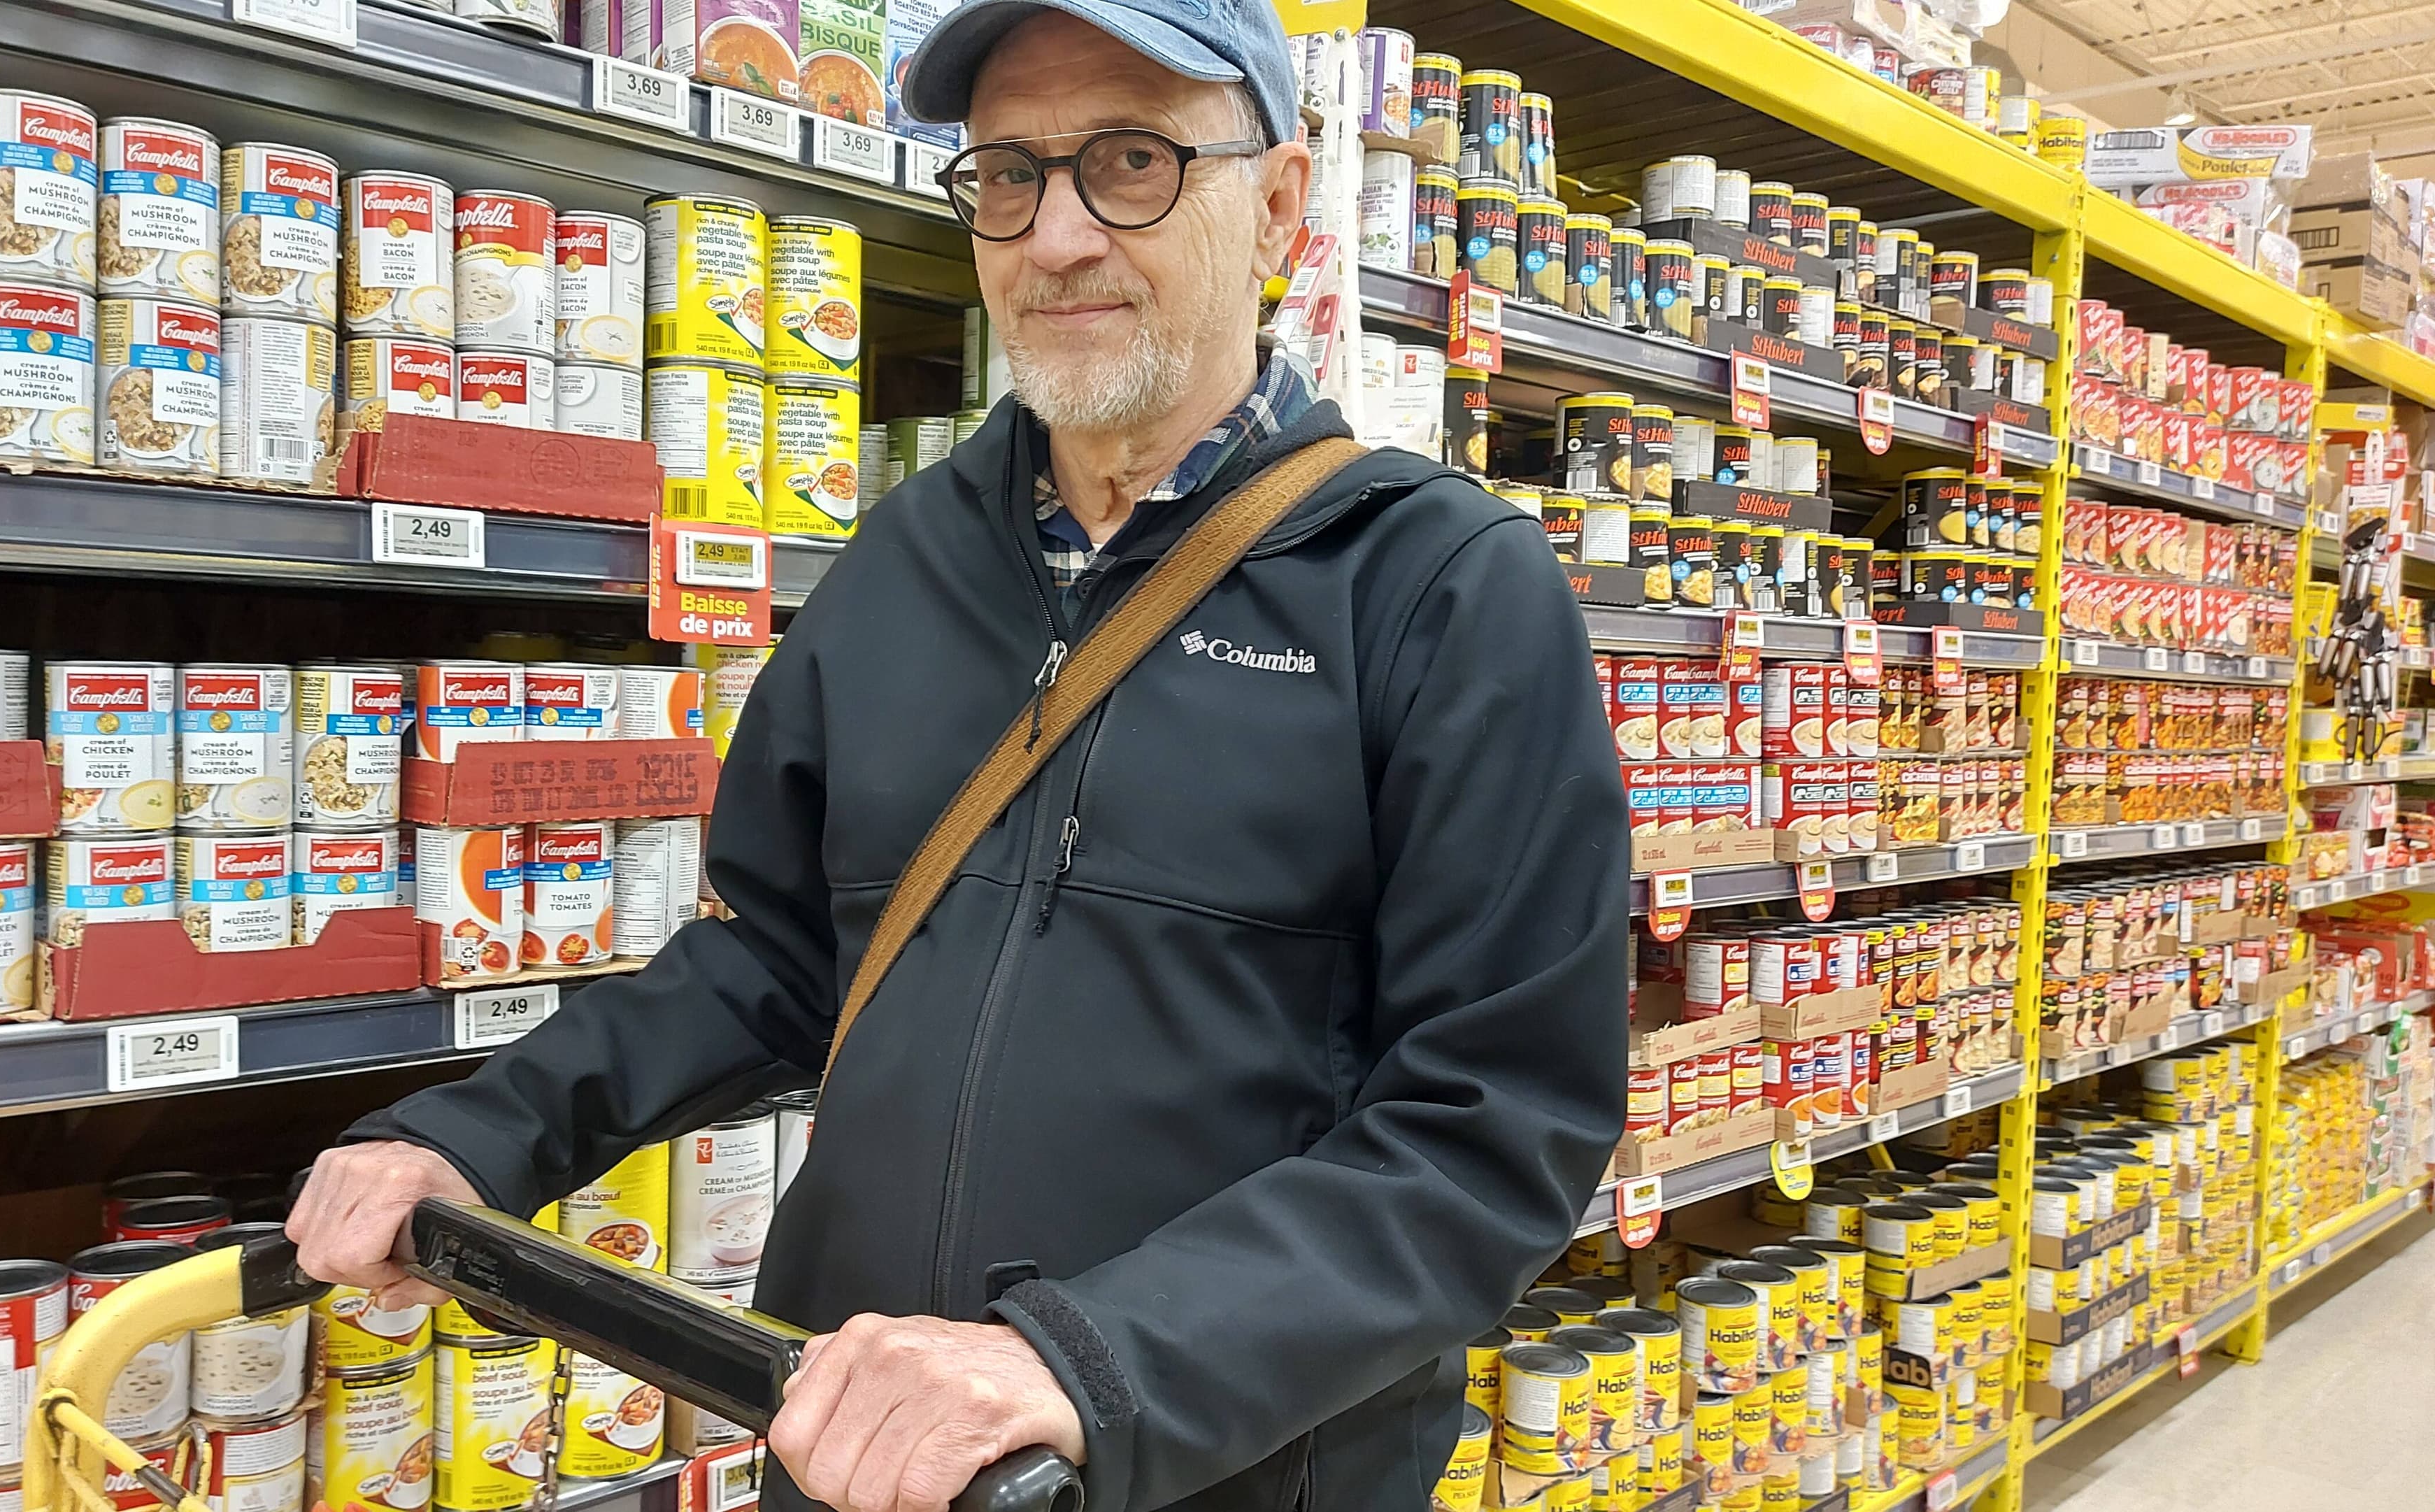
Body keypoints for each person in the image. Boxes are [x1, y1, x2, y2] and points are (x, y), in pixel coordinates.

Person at [285, 0, 1629, 1506]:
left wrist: (1087, 1361)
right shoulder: (902, 561)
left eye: (1130, 161)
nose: (1053, 236)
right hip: (858, 1443)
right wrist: (475, 1137)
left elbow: (1491, 1131)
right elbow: (769, 959)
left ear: (1283, 211)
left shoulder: (1438, 585)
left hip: (1217, 1466)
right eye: (1006, 172)